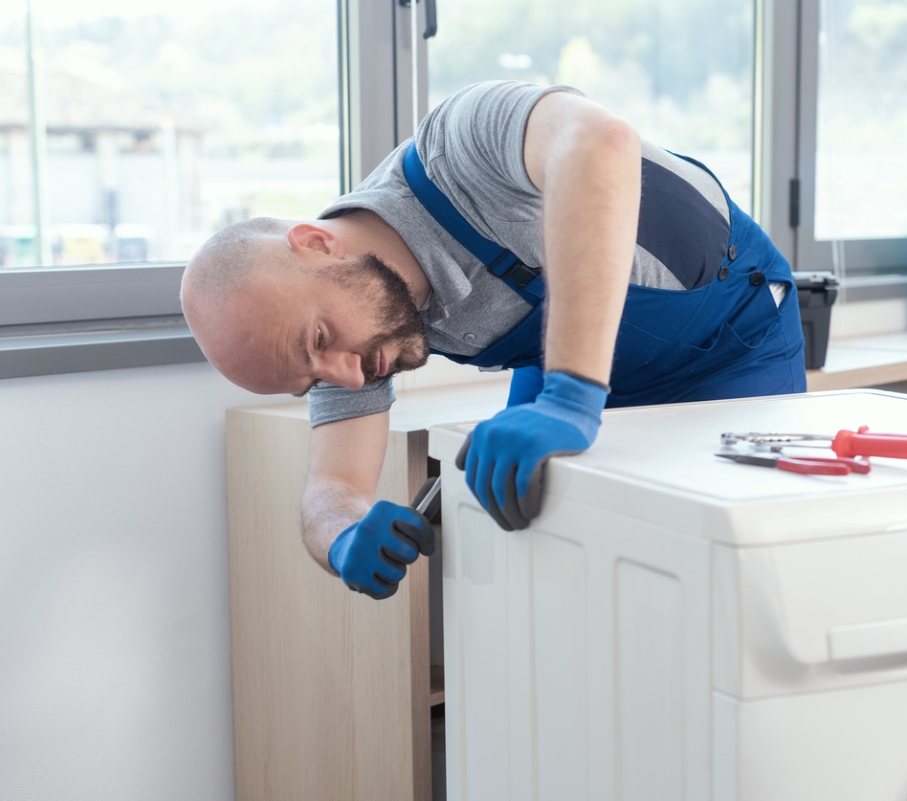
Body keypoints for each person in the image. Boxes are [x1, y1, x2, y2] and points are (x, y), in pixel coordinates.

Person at [182, 80, 806, 600]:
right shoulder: (352, 335)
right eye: (313, 379)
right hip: (574, 375)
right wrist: (344, 535)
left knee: (739, 581)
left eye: (320, 340)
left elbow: (603, 142)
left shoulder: (460, 145)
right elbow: (330, 490)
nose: (345, 377)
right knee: (558, 581)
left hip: (731, 343)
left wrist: (569, 396)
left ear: (317, 244)